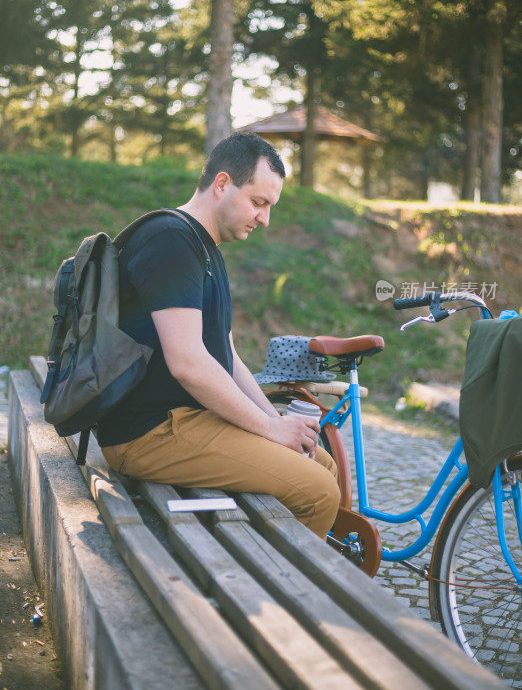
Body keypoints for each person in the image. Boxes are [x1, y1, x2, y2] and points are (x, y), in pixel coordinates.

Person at [98, 132, 340, 538]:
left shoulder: (204, 248)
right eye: (258, 203)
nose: (265, 219)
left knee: (323, 465)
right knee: (316, 491)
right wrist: (270, 430)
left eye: (270, 207)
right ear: (222, 184)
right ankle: (286, 596)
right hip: (148, 434)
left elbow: (226, 355)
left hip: (184, 422)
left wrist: (273, 419)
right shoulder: (171, 240)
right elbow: (189, 364)